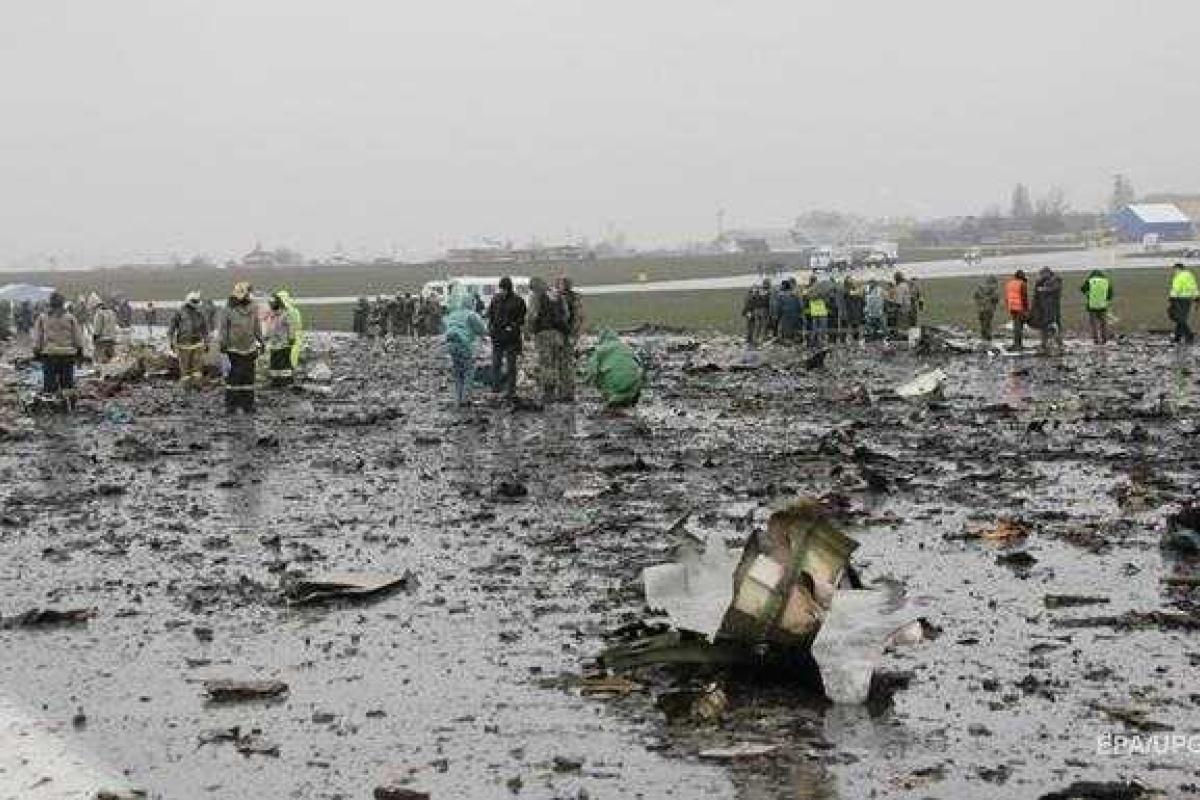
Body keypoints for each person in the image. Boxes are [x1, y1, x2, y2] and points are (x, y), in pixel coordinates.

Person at [219, 282, 263, 414]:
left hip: (249, 348)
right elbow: (224, 329)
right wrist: (223, 344)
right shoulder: (228, 309)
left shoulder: (253, 307)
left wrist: (261, 341)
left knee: (248, 379)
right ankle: (231, 405)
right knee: (234, 379)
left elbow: (257, 325)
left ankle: (248, 404)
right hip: (234, 349)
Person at [443, 286, 488, 406]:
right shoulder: (471, 315)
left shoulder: (453, 313)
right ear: (471, 304)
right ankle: (465, 399)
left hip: (450, 344)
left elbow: (446, 326)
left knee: (458, 372)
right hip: (462, 343)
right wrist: (485, 335)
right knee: (469, 371)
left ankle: (458, 398)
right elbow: (482, 330)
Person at [32, 292, 83, 397]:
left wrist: (36, 352)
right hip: (67, 355)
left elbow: (38, 338)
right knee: (67, 383)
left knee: (49, 383)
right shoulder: (70, 318)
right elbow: (77, 337)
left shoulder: (42, 318)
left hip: (49, 355)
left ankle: (52, 404)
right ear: (62, 303)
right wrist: (79, 352)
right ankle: (67, 404)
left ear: (50, 303)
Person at [528, 277, 569, 403]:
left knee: (546, 364)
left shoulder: (537, 297)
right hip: (558, 334)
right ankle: (561, 391)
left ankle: (549, 393)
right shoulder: (556, 294)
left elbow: (532, 315)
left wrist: (529, 330)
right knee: (557, 362)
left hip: (543, 334)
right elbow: (566, 314)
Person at [487, 276, 526, 400]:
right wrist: (491, 329)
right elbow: (491, 315)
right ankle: (495, 389)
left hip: (511, 339)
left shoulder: (518, 300)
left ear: (509, 288)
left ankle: (511, 390)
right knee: (496, 364)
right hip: (497, 337)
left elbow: (521, 318)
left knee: (511, 365)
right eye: (501, 289)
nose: (502, 291)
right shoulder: (495, 299)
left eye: (504, 289)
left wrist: (513, 327)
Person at [586, 329, 644, 409]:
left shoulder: (600, 350)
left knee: (600, 373)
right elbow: (639, 364)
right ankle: (629, 403)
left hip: (615, 387)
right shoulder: (626, 347)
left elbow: (591, 371)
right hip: (633, 387)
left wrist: (587, 382)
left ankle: (612, 399)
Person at [168, 291, 210, 385]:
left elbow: (205, 329)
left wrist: (207, 343)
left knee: (197, 369)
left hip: (197, 344)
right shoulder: (179, 312)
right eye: (194, 301)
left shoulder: (200, 313)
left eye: (196, 302)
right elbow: (171, 328)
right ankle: (185, 388)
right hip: (183, 345)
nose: (195, 304)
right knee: (185, 369)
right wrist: (170, 341)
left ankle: (196, 386)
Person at [560, 277, 584, 401]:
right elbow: (580, 318)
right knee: (566, 364)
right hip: (568, 335)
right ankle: (566, 391)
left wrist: (572, 335)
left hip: (566, 335)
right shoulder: (574, 298)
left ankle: (567, 392)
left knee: (565, 364)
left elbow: (576, 318)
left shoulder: (568, 299)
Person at [265, 294, 295, 387]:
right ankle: (276, 380)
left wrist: (291, 338)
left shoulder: (285, 314)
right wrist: (267, 336)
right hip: (274, 344)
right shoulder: (272, 315)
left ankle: (286, 380)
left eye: (272, 303)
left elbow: (291, 327)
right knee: (274, 363)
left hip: (283, 344)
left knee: (284, 363)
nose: (271, 305)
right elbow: (270, 328)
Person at [1032, 267, 1063, 354]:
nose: (1041, 276)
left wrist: (1043, 290)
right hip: (1043, 308)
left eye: (1042, 274)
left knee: (1054, 325)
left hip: (1053, 308)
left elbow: (1055, 289)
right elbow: (1036, 296)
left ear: (1047, 273)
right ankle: (1044, 343)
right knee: (1044, 326)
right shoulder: (1041, 282)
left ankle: (1058, 343)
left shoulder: (1055, 280)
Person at [1168, 262, 1198, 345]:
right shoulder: (1190, 276)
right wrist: (1196, 297)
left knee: (1179, 318)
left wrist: (1172, 297)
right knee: (1181, 318)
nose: (1173, 271)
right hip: (1188, 299)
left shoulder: (1178, 277)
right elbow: (1194, 286)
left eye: (1174, 269)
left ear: (1178, 268)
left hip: (1179, 299)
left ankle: (1189, 335)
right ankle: (1177, 337)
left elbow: (1176, 288)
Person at [1080, 270, 1113, 345]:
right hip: (1103, 305)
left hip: (1092, 305)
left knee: (1094, 324)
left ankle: (1096, 340)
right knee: (1103, 323)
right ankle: (1104, 339)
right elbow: (1110, 294)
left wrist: (1088, 294)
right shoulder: (1106, 281)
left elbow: (1082, 289)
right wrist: (1106, 300)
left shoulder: (1090, 281)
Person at [273, 289, 303, 369]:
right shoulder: (293, 311)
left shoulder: (289, 312)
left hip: (289, 340)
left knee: (288, 361)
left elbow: (294, 326)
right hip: (287, 340)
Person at [1005, 270, 1030, 351]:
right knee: (1019, 327)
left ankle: (1016, 343)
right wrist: (1026, 309)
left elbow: (1007, 296)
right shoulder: (1022, 284)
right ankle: (1018, 345)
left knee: (1016, 325)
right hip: (1019, 307)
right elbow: (1024, 297)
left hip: (1012, 307)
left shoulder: (1009, 283)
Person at [805, 276, 830, 348]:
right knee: (822, 329)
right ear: (816, 280)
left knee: (815, 328)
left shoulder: (808, 289)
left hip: (814, 311)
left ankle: (814, 343)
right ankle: (821, 343)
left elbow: (807, 297)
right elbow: (825, 297)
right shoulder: (820, 288)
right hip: (821, 311)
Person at [742, 281, 770, 346]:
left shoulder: (751, 295)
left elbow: (748, 304)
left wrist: (746, 312)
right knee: (760, 325)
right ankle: (757, 339)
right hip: (757, 311)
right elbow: (749, 304)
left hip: (754, 311)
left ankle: (752, 338)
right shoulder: (760, 294)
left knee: (756, 325)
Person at [973, 276, 1000, 342]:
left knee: (983, 325)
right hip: (988, 309)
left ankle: (984, 338)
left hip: (981, 309)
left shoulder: (980, 289)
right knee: (987, 325)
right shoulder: (993, 291)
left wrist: (980, 302)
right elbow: (996, 300)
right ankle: (987, 339)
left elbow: (975, 296)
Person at [843, 277, 864, 342]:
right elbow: (852, 294)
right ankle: (851, 339)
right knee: (851, 326)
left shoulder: (854, 290)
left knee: (856, 325)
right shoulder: (846, 290)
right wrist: (859, 288)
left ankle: (856, 338)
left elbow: (860, 296)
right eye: (851, 281)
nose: (852, 283)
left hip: (856, 311)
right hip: (850, 311)